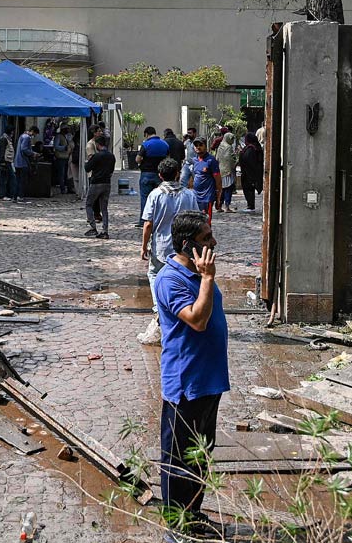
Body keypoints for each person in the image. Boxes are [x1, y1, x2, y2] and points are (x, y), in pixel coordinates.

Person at [153, 211, 228, 541]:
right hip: (186, 384)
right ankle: (175, 528)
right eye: (206, 239)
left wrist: (205, 277)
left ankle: (193, 517)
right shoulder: (169, 281)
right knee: (177, 460)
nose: (213, 244)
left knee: (200, 456)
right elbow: (196, 320)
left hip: (209, 380)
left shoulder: (197, 273)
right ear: (187, 245)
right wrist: (209, 278)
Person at [138, 157, 198, 346]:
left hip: (161, 247)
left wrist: (144, 246)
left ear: (160, 175)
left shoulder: (155, 195)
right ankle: (182, 312)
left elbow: (148, 224)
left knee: (156, 275)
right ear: (178, 174)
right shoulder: (189, 195)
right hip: (184, 248)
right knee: (183, 279)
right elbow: (197, 220)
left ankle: (160, 310)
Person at [135, 126, 170, 228]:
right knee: (160, 198)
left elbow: (138, 159)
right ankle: (159, 219)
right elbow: (168, 158)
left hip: (146, 174)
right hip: (159, 175)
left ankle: (144, 221)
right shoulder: (165, 144)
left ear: (146, 134)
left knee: (145, 198)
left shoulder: (146, 144)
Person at [84, 135, 115, 238]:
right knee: (104, 208)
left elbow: (87, 168)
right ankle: (105, 230)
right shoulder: (111, 156)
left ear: (97, 145)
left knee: (89, 204)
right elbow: (111, 171)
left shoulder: (96, 156)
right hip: (107, 183)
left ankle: (93, 227)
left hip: (96, 183)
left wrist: (87, 161)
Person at [189, 138, 221, 221]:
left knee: (206, 222)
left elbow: (218, 180)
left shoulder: (211, 160)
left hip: (207, 197)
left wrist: (218, 197)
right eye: (196, 145)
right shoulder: (194, 160)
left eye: (200, 145)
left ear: (205, 146)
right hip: (196, 196)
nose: (198, 147)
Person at [238, 131, 264, 213]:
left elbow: (248, 161)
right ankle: (250, 205)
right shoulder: (255, 147)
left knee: (249, 189)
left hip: (249, 174)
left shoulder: (251, 149)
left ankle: (250, 205)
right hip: (251, 173)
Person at [214, 132, 238, 212]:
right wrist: (236, 161)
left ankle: (219, 206)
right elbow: (230, 160)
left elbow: (217, 158)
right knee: (228, 189)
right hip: (228, 171)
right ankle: (227, 207)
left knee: (222, 189)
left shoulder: (220, 146)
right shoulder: (229, 147)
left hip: (221, 170)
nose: (232, 141)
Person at [14, 126, 38, 203]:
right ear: (32, 131)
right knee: (22, 180)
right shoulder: (27, 137)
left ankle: (16, 196)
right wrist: (32, 153)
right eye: (35, 134)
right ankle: (20, 196)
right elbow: (24, 149)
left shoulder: (22, 135)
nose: (34, 136)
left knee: (18, 180)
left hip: (17, 162)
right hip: (23, 162)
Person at [0, 126, 16, 200]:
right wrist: (2, 162)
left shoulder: (8, 139)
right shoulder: (4, 139)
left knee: (8, 178)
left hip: (8, 161)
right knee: (5, 178)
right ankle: (3, 195)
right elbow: (2, 151)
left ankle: (8, 194)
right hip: (5, 161)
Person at [53, 125, 72, 194]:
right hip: (60, 157)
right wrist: (64, 147)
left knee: (65, 174)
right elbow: (56, 146)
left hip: (65, 157)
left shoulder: (65, 136)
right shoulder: (58, 136)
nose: (68, 130)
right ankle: (62, 188)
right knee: (61, 174)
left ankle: (65, 187)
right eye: (66, 129)